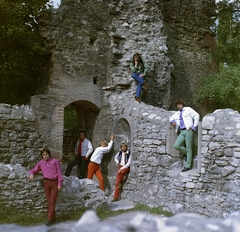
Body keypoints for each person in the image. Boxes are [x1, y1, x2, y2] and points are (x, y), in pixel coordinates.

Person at [29, 148, 63, 227]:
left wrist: (60, 183)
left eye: (46, 154)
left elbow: (59, 172)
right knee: (49, 202)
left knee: (52, 202)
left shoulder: (55, 161)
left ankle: (49, 219)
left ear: (49, 154)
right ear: (42, 156)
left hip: (54, 183)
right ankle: (53, 218)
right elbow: (34, 170)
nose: (45, 156)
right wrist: (32, 173)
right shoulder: (41, 163)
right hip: (46, 183)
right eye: (43, 155)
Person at [169, 99, 200, 172]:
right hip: (182, 131)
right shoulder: (177, 113)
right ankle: (190, 155)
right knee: (176, 145)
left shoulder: (188, 109)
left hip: (188, 130)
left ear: (182, 104)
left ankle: (188, 166)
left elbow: (196, 115)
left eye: (179, 104)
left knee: (189, 147)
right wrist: (172, 122)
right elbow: (171, 118)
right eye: (177, 105)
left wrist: (194, 126)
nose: (178, 106)